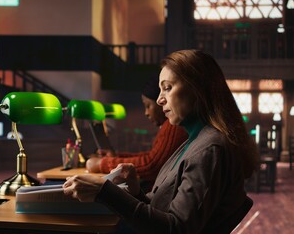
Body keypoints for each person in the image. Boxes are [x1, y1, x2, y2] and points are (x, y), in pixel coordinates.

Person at [63, 49, 259, 234]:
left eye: (167, 88)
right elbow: (164, 209)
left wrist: (104, 191)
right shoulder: (196, 140)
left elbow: (176, 228)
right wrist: (136, 192)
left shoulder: (209, 149)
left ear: (197, 89)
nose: (159, 100)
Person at [86, 76, 188, 186]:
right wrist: (115, 156)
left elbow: (152, 164)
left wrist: (103, 163)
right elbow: (153, 156)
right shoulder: (169, 125)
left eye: (148, 105)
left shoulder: (174, 125)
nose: (146, 113)